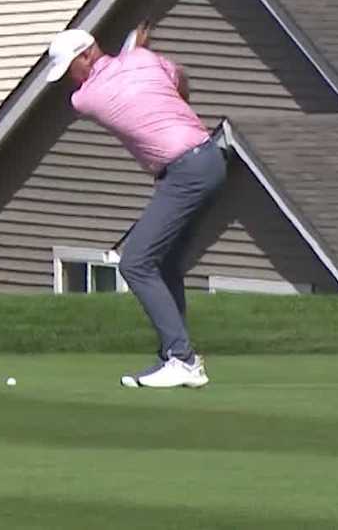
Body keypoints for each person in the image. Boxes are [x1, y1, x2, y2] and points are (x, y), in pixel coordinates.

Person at [43, 22, 228, 389]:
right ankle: (172, 354)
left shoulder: (85, 98)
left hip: (185, 171)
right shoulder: (144, 61)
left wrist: (132, 51)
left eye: (70, 70)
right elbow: (179, 82)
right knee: (167, 263)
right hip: (210, 159)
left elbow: (109, 79)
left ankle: (183, 359)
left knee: (136, 262)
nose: (70, 81)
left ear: (86, 54)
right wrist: (137, 54)